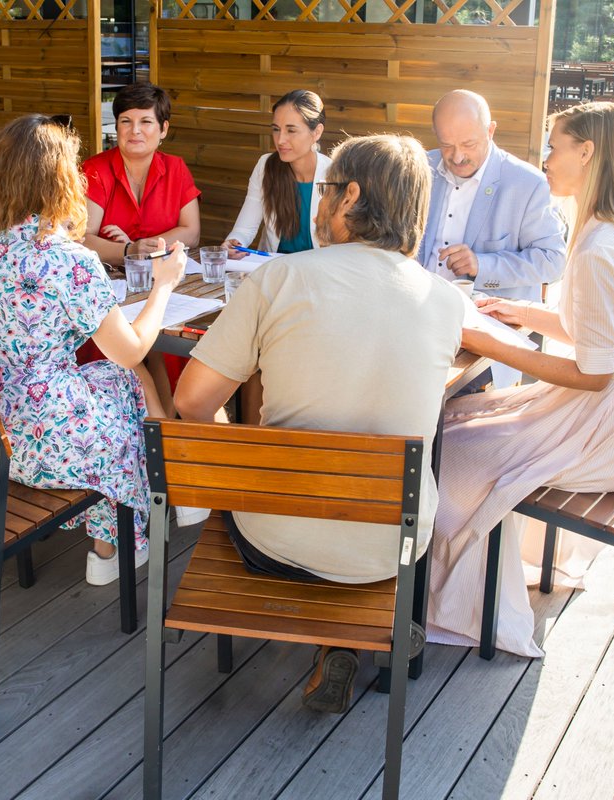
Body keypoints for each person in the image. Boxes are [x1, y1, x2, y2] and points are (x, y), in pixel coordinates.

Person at [174, 134, 464, 713]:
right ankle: (349, 638)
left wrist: (244, 457)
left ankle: (337, 637)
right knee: (358, 500)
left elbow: (190, 403)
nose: (319, 203)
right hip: (393, 548)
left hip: (273, 540)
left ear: (350, 195)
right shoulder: (447, 301)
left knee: (285, 505)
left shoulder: (278, 279)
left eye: (327, 190)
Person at [426, 101, 614, 657]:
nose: (545, 159)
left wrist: (483, 341)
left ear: (586, 153)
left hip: (613, 426)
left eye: (554, 147)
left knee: (453, 455)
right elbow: (599, 336)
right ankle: (463, 588)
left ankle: (469, 609)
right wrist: (519, 315)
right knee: (460, 416)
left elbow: (594, 373)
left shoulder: (601, 246)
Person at [0, 114, 187, 586]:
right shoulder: (67, 259)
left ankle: (141, 521)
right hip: (50, 439)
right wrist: (163, 285)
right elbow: (129, 350)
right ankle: (117, 543)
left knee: (120, 382)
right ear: (62, 179)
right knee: (129, 381)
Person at [417, 90, 566, 390]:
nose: (457, 156)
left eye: (468, 144)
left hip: (485, 343)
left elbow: (553, 262)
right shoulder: (420, 167)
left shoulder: (527, 183)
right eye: (446, 145)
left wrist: (482, 265)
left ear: (490, 130)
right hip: (420, 323)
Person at [81, 83, 201, 265]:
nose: (135, 130)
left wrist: (143, 248)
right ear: (116, 127)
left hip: (164, 271)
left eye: (146, 121)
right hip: (109, 277)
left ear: (164, 129)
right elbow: (81, 238)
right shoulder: (94, 170)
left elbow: (192, 233)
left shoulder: (176, 167)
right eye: (126, 121)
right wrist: (129, 250)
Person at [224, 90, 331, 256]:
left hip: (318, 273)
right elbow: (244, 230)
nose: (280, 140)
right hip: (274, 270)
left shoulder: (335, 174)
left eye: (291, 130)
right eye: (276, 129)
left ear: (317, 132)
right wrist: (233, 243)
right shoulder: (266, 166)